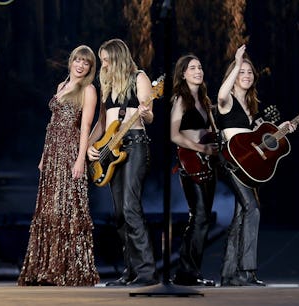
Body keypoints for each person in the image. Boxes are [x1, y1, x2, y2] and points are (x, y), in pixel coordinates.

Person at [18, 45, 100, 286]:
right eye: (78, 60)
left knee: (67, 206)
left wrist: (80, 159)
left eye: (86, 63)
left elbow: (85, 127)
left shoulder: (89, 90)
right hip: (53, 152)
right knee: (49, 207)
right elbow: (52, 123)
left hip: (69, 151)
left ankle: (66, 268)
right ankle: (46, 266)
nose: (81, 65)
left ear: (89, 68)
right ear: (71, 62)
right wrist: (44, 156)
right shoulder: (61, 87)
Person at [216, 44, 296, 286]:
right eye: (242, 72)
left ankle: (230, 274)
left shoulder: (251, 107)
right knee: (253, 209)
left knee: (242, 214)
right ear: (234, 74)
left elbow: (257, 141)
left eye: (250, 72)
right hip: (230, 161)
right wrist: (238, 61)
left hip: (247, 165)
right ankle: (247, 271)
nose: (247, 76)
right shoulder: (227, 100)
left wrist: (283, 129)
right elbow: (219, 95)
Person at [86, 38, 158, 287]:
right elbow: (102, 123)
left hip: (135, 144)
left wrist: (146, 111)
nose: (103, 64)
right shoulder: (106, 83)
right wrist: (88, 147)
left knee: (130, 205)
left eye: (106, 59)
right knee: (119, 212)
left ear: (118, 58)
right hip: (110, 148)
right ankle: (130, 271)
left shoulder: (139, 77)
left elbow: (148, 116)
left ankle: (147, 271)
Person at [170, 54, 219, 286]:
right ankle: (187, 273)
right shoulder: (181, 99)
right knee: (199, 216)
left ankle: (188, 272)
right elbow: (174, 135)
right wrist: (201, 147)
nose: (198, 71)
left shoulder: (205, 101)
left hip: (207, 162)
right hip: (190, 161)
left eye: (200, 67)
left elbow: (211, 132)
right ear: (183, 74)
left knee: (202, 218)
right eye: (192, 68)